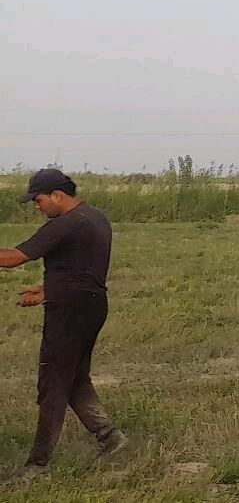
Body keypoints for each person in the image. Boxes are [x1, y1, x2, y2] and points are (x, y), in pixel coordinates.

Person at [1, 170, 126, 476]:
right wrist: (47, 291)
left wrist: (53, 293)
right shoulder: (96, 217)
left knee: (53, 384)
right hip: (91, 306)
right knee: (74, 379)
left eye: (39, 200)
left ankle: (37, 465)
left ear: (58, 195)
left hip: (70, 313)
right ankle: (110, 437)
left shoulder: (66, 224)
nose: (37, 207)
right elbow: (85, 271)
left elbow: (13, 258)